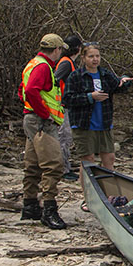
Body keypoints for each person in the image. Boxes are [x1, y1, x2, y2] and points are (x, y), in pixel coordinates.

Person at [19, 33, 69, 229]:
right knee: (53, 165)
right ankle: (49, 209)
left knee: (32, 165)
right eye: (59, 50)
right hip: (41, 122)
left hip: (31, 119)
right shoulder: (44, 67)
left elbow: (22, 89)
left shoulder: (32, 63)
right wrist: (44, 113)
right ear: (56, 50)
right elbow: (31, 90)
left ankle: (30, 205)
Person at [63, 43, 133, 172]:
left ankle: (109, 191)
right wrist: (90, 97)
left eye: (97, 56)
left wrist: (125, 80)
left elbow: (118, 86)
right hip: (83, 124)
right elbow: (68, 99)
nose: (95, 59)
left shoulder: (105, 74)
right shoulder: (76, 76)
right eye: (91, 56)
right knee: (88, 160)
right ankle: (88, 191)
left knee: (109, 157)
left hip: (104, 123)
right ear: (83, 58)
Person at [54, 34, 83, 181]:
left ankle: (65, 167)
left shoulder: (69, 63)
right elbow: (55, 80)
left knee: (66, 137)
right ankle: (63, 170)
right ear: (77, 48)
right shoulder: (66, 63)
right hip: (62, 106)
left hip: (67, 106)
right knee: (63, 138)